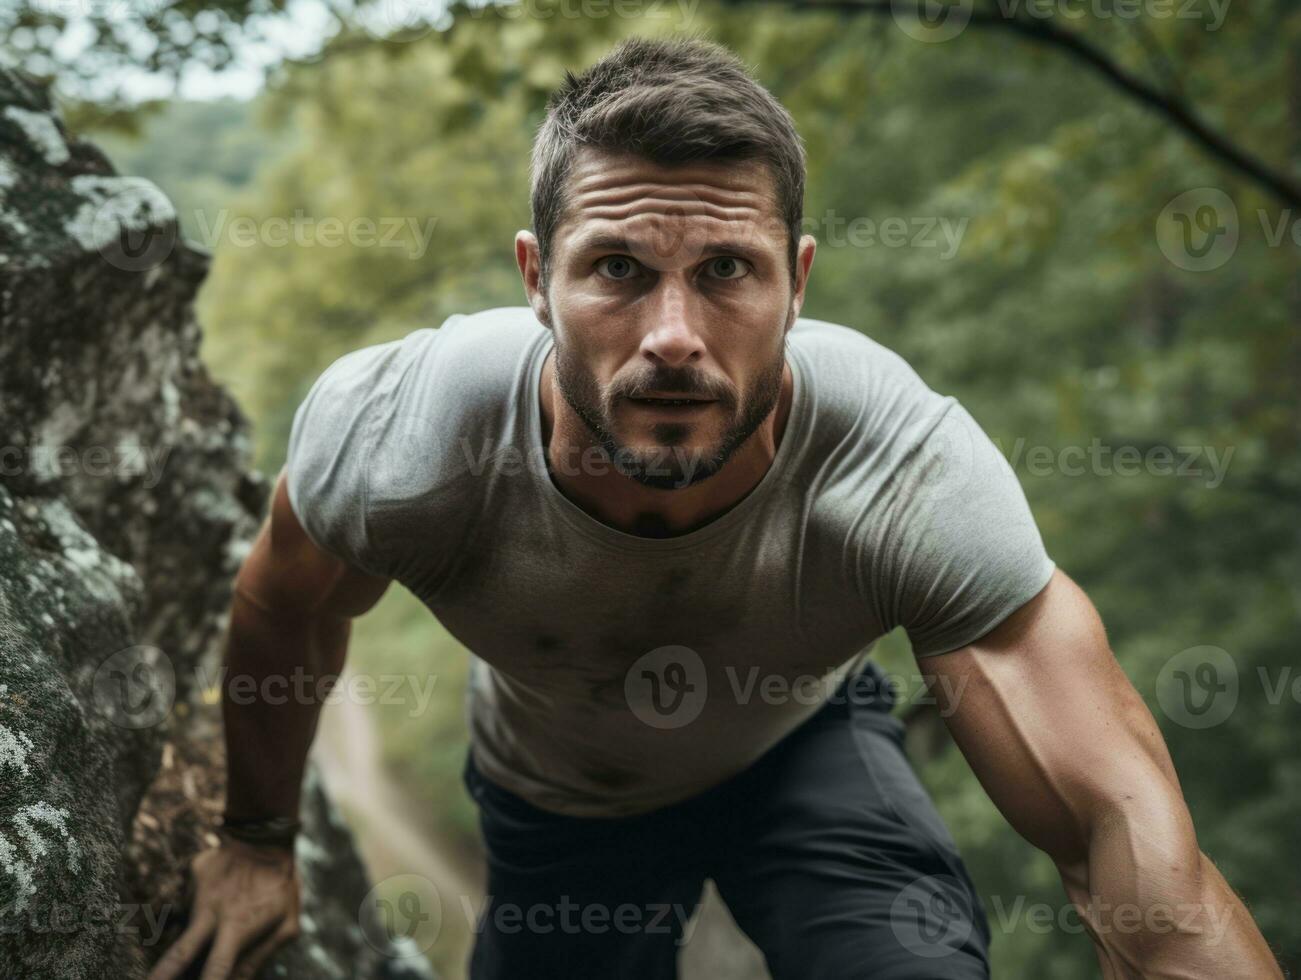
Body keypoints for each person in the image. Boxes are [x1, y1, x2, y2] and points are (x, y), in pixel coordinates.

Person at [148, 35, 1282, 980]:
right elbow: (285, 604)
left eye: (728, 270)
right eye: (617, 270)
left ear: (799, 278)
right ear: (533, 278)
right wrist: (255, 838)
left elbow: (1126, 851)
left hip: (805, 748)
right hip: (557, 796)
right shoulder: (403, 435)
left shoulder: (900, 466)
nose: (674, 336)